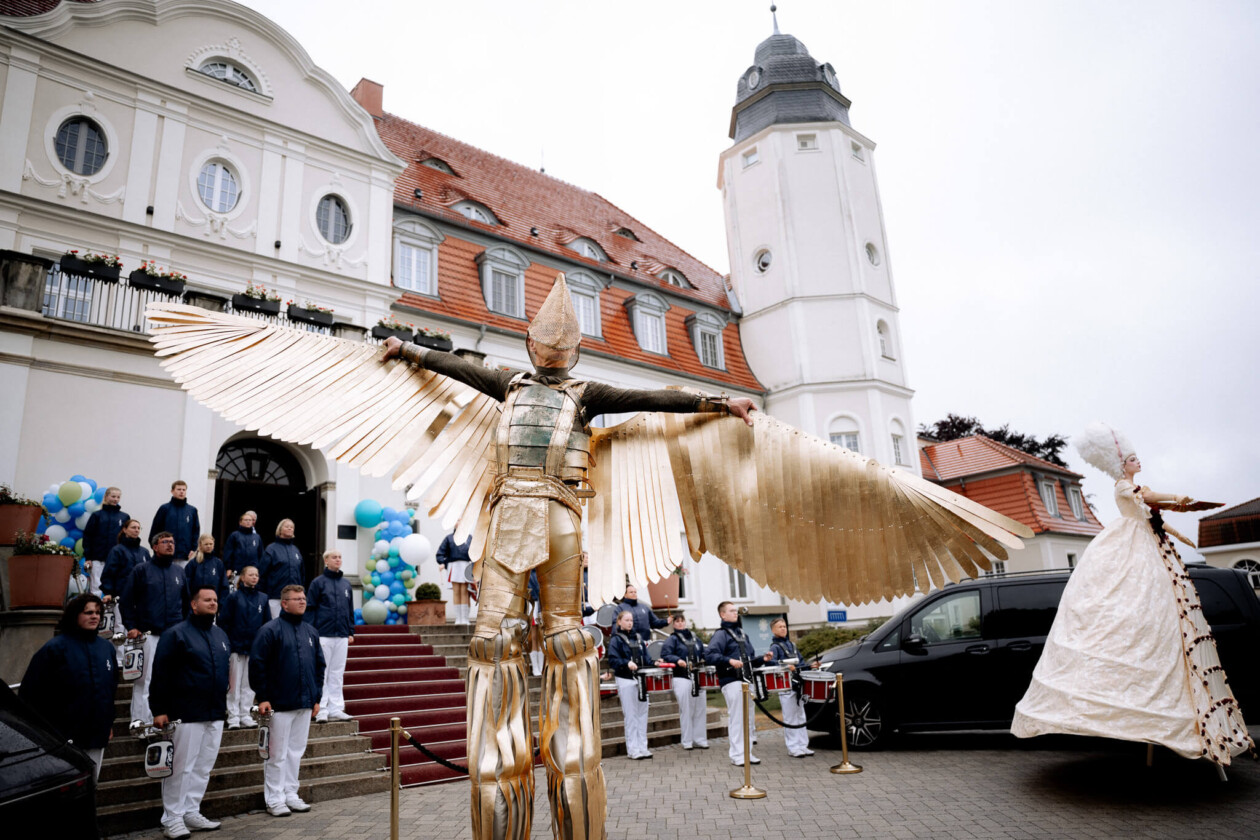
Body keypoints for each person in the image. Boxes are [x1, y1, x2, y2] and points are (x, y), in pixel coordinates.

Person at [383, 275, 756, 839]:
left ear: (534, 345)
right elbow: (455, 365)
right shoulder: (545, 389)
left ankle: (549, 815)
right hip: (540, 518)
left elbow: (652, 400)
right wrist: (407, 349)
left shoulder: (533, 387)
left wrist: (719, 402)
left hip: (535, 518)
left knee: (523, 641)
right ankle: (546, 812)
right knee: (538, 641)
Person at [1012, 423, 1254, 765]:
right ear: (1122, 464)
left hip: (1147, 543)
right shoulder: (1125, 488)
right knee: (1129, 596)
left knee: (1160, 605)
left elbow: (1152, 517)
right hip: (1130, 548)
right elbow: (1149, 501)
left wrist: (1177, 531)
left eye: (1137, 458)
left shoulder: (1136, 489)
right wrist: (1177, 498)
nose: (1138, 461)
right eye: (1132, 458)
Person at [149, 585, 231, 839]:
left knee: (203, 767)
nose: (213, 603)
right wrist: (159, 709)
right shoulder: (176, 634)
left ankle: (191, 811)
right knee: (181, 768)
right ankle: (171, 817)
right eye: (207, 600)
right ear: (194, 605)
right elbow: (160, 673)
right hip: (184, 712)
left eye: (215, 600)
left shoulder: (221, 635)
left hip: (214, 712)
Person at [19, 594, 118, 781]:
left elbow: (111, 687)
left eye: (98, 612)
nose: (95, 616)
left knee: (92, 784)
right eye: (88, 612)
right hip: (64, 735)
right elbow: (30, 693)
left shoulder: (107, 649)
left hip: (97, 733)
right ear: (75, 615)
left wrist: (109, 722)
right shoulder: (54, 649)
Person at [250, 584, 325, 817]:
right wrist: (262, 697)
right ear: (284, 603)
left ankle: (291, 793)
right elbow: (257, 664)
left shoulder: (310, 631)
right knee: (276, 754)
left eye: (304, 598)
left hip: (304, 703)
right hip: (279, 703)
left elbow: (319, 666)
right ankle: (274, 799)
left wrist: (316, 698)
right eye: (297, 598)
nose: (303, 601)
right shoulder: (270, 630)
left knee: (295, 752)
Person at [120, 532, 187, 724]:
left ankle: (162, 720)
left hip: (173, 636)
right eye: (165, 542)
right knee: (145, 680)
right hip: (148, 634)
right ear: (155, 547)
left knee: (171, 679)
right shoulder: (141, 570)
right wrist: (131, 626)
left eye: (172, 541)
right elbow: (126, 600)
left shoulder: (179, 572)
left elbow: (187, 602)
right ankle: (141, 723)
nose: (170, 545)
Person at [706, 601, 760, 766]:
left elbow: (750, 655)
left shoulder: (742, 634)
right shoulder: (720, 635)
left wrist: (763, 659)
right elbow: (710, 655)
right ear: (722, 614)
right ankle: (737, 755)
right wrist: (729, 660)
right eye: (731, 611)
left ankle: (747, 753)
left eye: (736, 610)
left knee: (748, 718)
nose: (735, 613)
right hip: (731, 681)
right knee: (737, 718)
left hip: (747, 680)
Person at [305, 549, 354, 723]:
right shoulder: (318, 583)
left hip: (341, 635)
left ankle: (336, 708)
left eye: (340, 557)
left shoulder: (346, 584)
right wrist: (311, 632)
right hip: (323, 634)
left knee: (337, 672)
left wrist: (350, 631)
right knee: (322, 673)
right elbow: (310, 608)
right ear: (326, 560)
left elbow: (349, 610)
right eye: (334, 557)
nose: (338, 560)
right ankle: (322, 708)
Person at [219, 565, 269, 729]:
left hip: (254, 648)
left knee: (249, 684)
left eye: (257, 574)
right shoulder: (233, 597)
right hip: (236, 646)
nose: (255, 577)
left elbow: (266, 624)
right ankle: (233, 717)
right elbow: (224, 621)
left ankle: (245, 714)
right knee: (234, 684)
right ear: (243, 577)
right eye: (251, 574)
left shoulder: (263, 598)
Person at [608, 609, 662, 760]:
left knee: (643, 714)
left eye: (631, 620)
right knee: (631, 715)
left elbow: (646, 658)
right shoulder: (616, 640)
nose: (630, 623)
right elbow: (613, 660)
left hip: (641, 679)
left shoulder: (638, 638)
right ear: (619, 622)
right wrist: (626, 663)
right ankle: (633, 749)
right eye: (626, 620)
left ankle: (643, 747)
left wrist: (655, 663)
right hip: (625, 679)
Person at [660, 613, 710, 750]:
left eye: (682, 621)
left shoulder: (694, 637)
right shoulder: (672, 639)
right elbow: (665, 654)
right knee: (686, 709)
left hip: (698, 676)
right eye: (677, 621)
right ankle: (687, 741)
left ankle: (700, 739)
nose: (680, 623)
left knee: (700, 708)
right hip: (681, 677)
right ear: (673, 624)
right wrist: (677, 660)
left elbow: (704, 653)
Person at [767, 617, 815, 757]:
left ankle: (803, 745)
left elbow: (800, 663)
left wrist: (810, 666)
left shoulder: (792, 645)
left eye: (784, 626)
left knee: (801, 715)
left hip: (797, 684)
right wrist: (786, 666)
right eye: (780, 627)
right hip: (785, 686)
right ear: (773, 630)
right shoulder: (774, 647)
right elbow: (770, 663)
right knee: (790, 717)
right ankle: (793, 747)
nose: (783, 628)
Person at [101, 518, 149, 632]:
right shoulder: (117, 550)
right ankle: (119, 651)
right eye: (133, 527)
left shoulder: (144, 552)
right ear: (125, 530)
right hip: (121, 596)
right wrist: (108, 592)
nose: (136, 530)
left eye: (138, 528)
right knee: (120, 627)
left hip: (141, 597)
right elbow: (109, 572)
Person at [82, 486, 128, 597]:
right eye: (113, 496)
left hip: (117, 559)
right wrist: (88, 557)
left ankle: (115, 613)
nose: (115, 499)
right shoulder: (97, 516)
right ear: (106, 497)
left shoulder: (124, 517)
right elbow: (88, 536)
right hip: (98, 557)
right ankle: (97, 611)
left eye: (118, 497)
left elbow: (126, 538)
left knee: (117, 586)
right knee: (96, 587)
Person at [259, 519, 304, 618]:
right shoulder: (271, 549)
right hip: (275, 597)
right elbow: (262, 574)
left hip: (294, 597)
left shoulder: (296, 550)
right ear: (279, 530)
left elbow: (302, 574)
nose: (289, 528)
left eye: (292, 527)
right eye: (287, 526)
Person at [150, 480, 201, 566]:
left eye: (184, 490)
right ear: (172, 491)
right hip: (165, 555)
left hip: (185, 556)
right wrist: (156, 548)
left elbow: (195, 531)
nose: (181, 492)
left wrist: (193, 548)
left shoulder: (192, 510)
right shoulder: (164, 509)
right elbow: (155, 530)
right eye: (178, 489)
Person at [436, 528, 473, 625]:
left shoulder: (469, 538)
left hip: (466, 565)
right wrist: (442, 562)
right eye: (458, 520)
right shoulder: (449, 538)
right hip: (454, 566)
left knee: (465, 592)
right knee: (456, 591)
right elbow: (440, 553)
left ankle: (465, 618)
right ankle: (458, 618)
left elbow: (475, 552)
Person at [185, 534, 227, 605]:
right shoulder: (193, 563)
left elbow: (224, 585)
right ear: (200, 545)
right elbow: (187, 584)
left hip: (213, 602)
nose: (208, 546)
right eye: (206, 544)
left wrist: (221, 603)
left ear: (213, 545)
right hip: (196, 603)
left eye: (211, 544)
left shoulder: (218, 563)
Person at [222, 510, 262, 582]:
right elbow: (228, 553)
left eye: (250, 520)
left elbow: (261, 555)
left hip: (253, 572)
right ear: (240, 522)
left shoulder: (257, 537)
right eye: (246, 520)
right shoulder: (234, 535)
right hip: (237, 571)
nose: (248, 522)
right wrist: (228, 568)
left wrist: (259, 569)